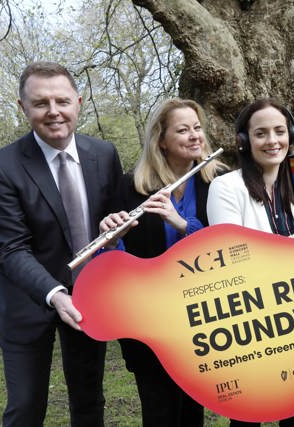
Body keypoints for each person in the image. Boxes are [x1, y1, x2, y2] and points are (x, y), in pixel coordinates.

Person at [0, 62, 123, 426]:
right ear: (22, 107)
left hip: (88, 299)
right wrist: (56, 293)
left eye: (62, 100)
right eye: (41, 103)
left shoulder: (104, 154)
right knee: (26, 408)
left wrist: (117, 227)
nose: (54, 111)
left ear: (78, 102)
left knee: (89, 400)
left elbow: (112, 222)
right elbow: (11, 249)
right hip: (27, 303)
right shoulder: (0, 168)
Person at [98, 98, 228, 426]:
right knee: (159, 410)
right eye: (183, 130)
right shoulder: (132, 188)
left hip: (204, 318)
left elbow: (227, 245)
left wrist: (182, 223)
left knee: (192, 411)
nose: (195, 136)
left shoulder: (219, 182)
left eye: (197, 128)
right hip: (152, 320)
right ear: (161, 140)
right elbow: (115, 265)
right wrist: (111, 240)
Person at [206, 98, 294, 426]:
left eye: (279, 131)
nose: (272, 140)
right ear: (245, 141)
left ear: (290, 134)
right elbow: (230, 258)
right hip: (251, 328)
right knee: (248, 417)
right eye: (260, 133)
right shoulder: (225, 187)